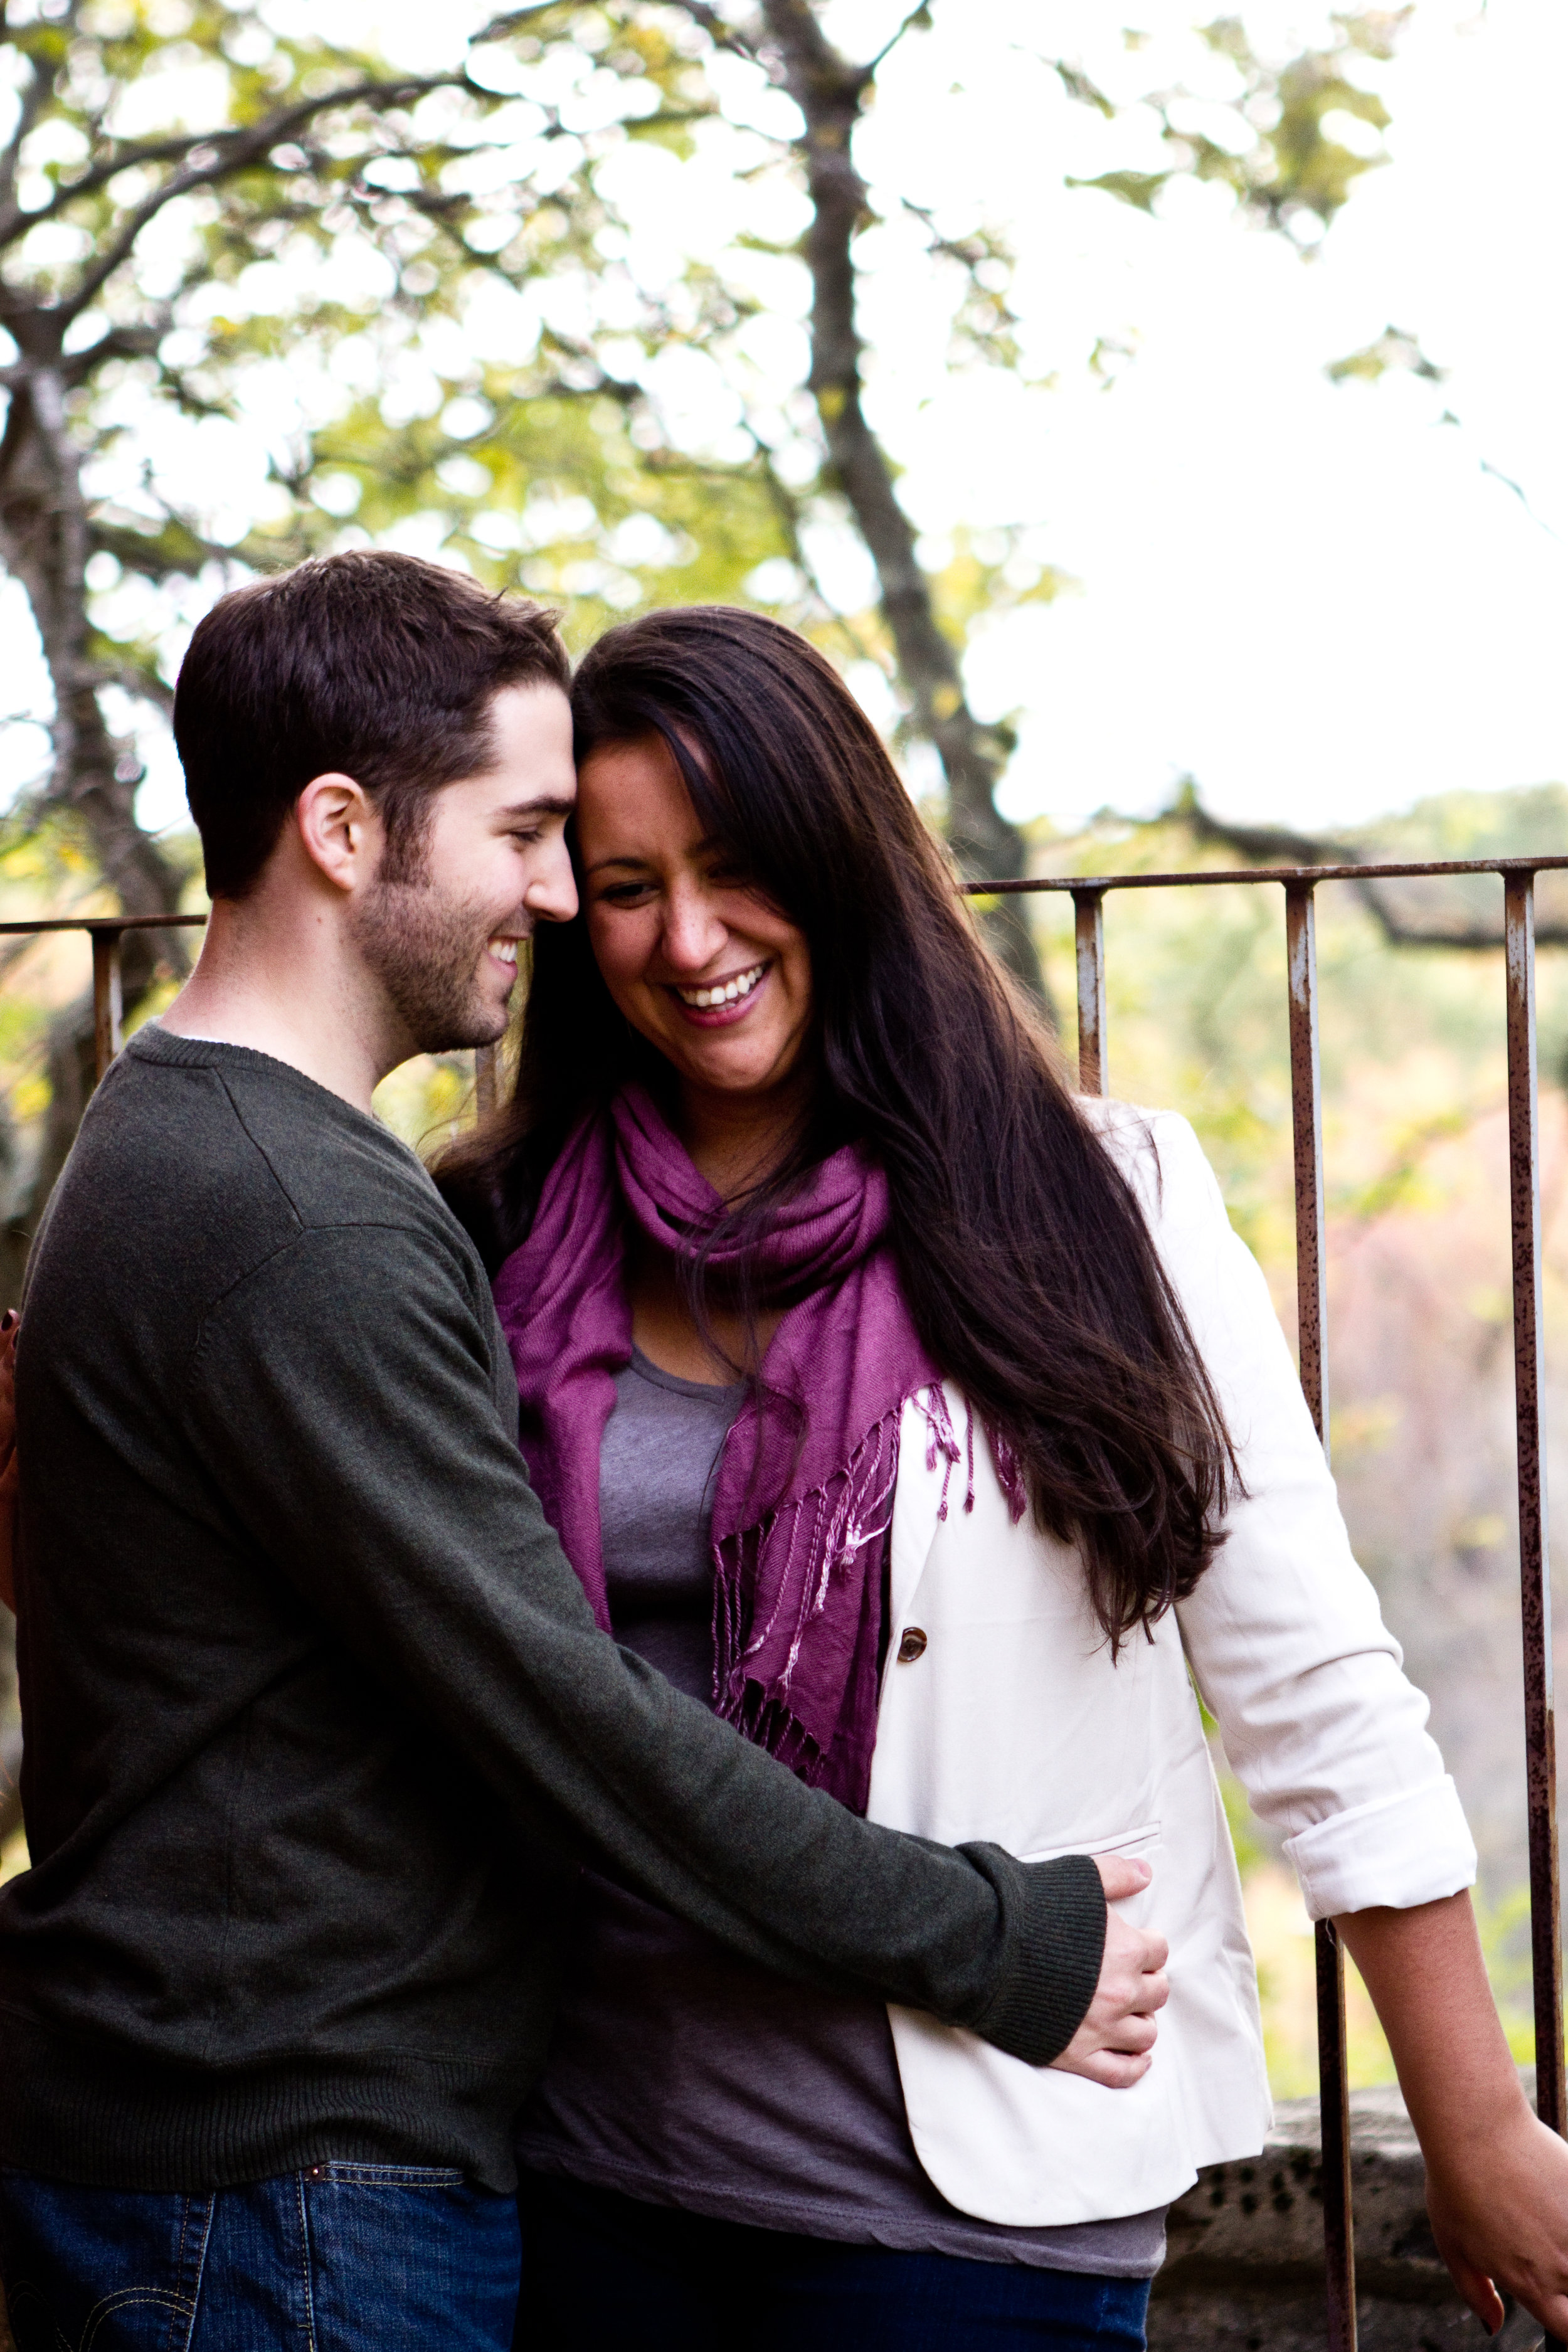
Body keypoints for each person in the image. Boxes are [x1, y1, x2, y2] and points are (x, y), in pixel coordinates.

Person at [0, 554, 1160, 2352]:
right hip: (291, 2194)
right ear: (340, 829)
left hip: (272, 2167)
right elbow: (573, 1721)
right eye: (527, 832)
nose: (558, 900)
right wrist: (989, 1937)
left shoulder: (214, 1147)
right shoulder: (298, 1216)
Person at [434, 603, 1568, 2351]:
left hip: (975, 2201)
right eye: (628, 882)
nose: (689, 937)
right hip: (582, 2177)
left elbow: (1305, 1687)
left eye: (739, 865)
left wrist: (1475, 2125)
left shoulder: (1093, 1202)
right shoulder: (501, 1228)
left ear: (844, 859)